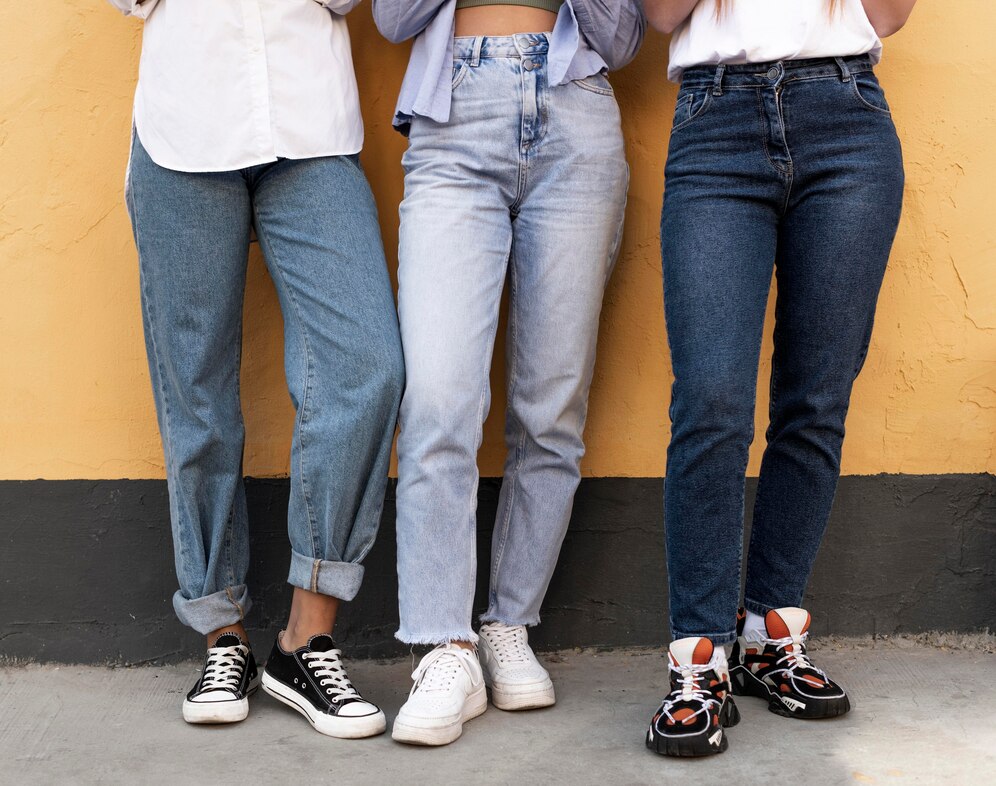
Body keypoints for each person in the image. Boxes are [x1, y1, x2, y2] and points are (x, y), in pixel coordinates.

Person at [109, 0, 404, 738]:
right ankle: (221, 633)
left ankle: (305, 640)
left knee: (366, 365)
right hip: (184, 127)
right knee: (195, 394)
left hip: (309, 127)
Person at [640, 0, 917, 757]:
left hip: (848, 115)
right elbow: (662, 14)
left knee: (816, 399)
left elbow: (890, 16)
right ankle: (698, 661)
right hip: (715, 119)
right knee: (711, 400)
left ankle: (768, 634)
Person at [373, 0, 645, 746]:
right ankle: (443, 646)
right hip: (453, 121)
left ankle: (508, 625)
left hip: (577, 118)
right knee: (437, 397)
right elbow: (393, 19)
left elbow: (620, 38)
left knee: (550, 406)